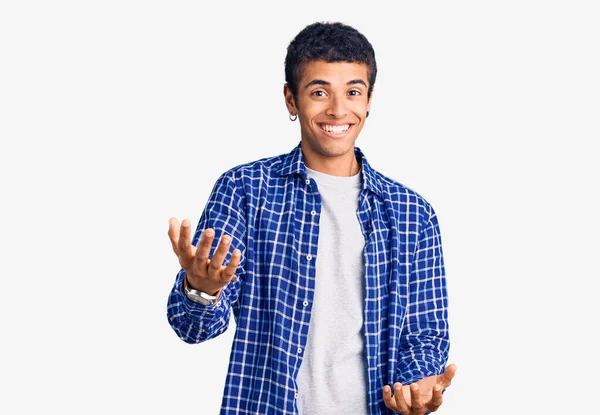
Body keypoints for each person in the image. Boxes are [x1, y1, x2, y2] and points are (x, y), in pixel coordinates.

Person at [166, 21, 456, 415]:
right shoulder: (246, 190)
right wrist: (201, 288)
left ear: (369, 100)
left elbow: (425, 336)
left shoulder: (412, 213)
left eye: (353, 92)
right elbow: (194, 328)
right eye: (319, 92)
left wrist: (416, 387)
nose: (338, 109)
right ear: (291, 100)